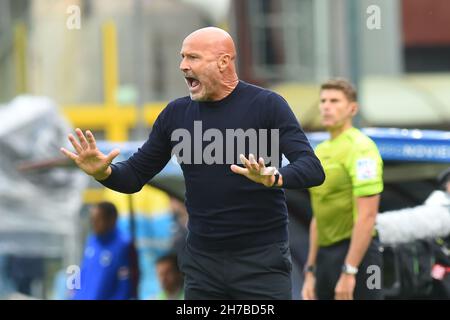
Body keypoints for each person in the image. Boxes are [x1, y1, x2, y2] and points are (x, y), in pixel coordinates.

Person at [61, 27, 325, 299]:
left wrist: (274, 176)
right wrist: (104, 173)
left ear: (223, 62)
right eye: (182, 57)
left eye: (193, 58)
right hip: (202, 263)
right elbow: (134, 175)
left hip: (260, 261)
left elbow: (312, 168)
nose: (183, 66)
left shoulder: (267, 105)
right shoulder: (176, 115)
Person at [302, 79, 384, 300]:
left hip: (363, 258)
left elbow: (367, 215)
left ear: (352, 109)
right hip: (326, 257)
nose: (326, 106)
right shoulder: (320, 151)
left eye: (334, 100)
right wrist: (310, 270)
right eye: (323, 101)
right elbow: (318, 215)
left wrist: (350, 270)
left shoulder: (362, 147)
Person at [72, 202, 134, 300]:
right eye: (92, 220)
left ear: (112, 220)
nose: (94, 224)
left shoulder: (124, 245)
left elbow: (124, 286)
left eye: (98, 220)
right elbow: (83, 271)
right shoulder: (91, 241)